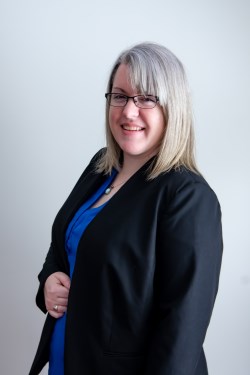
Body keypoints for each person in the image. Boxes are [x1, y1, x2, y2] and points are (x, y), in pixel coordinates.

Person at [29, 42, 223, 375]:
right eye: (120, 96)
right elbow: (65, 245)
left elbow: (181, 330)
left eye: (147, 98)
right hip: (67, 359)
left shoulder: (188, 197)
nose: (128, 111)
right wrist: (49, 280)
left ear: (173, 107)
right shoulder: (100, 168)